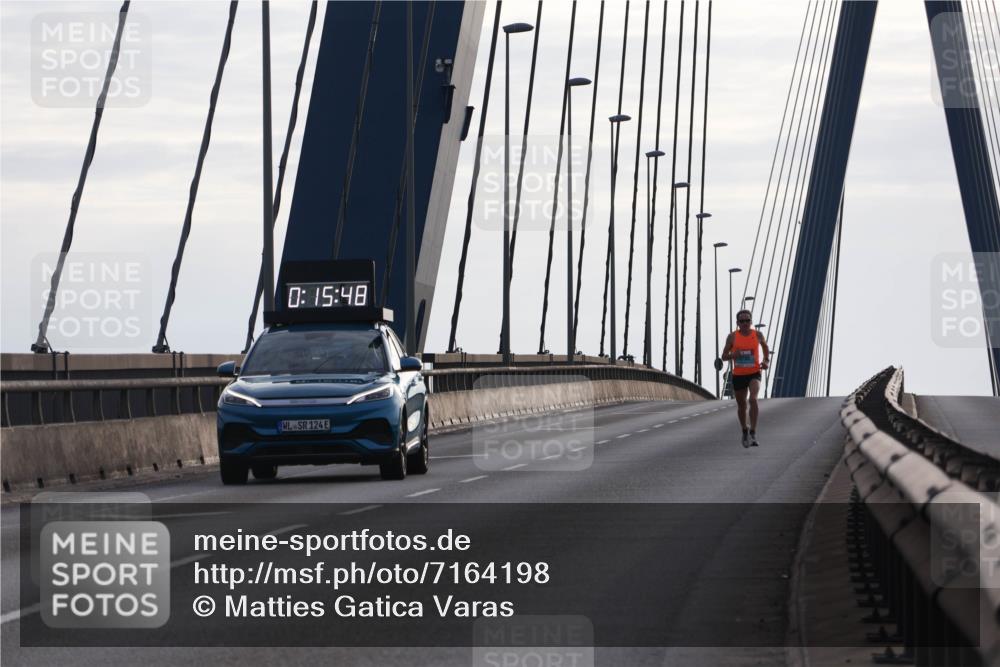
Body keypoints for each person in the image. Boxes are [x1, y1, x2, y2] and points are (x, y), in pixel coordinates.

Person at [721, 310, 770, 448]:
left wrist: (766, 361)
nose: (745, 323)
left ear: (751, 322)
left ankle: (753, 431)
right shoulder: (732, 337)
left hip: (754, 373)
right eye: (741, 321)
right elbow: (723, 356)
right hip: (739, 375)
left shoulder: (758, 335)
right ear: (737, 323)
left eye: (747, 321)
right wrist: (732, 355)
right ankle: (744, 430)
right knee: (742, 405)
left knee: (753, 399)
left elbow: (765, 348)